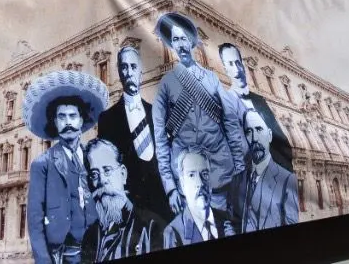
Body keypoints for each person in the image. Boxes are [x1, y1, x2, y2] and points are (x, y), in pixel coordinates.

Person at [150, 13, 245, 215]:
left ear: (192, 42)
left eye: (184, 38)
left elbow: (231, 125)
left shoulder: (211, 79)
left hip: (221, 175)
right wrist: (170, 188)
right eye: (176, 39)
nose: (181, 44)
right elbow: (160, 139)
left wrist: (238, 167)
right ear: (171, 44)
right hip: (187, 180)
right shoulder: (166, 84)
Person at [23, 70, 110, 264]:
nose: (68, 122)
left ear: (81, 120)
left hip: (96, 250)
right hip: (63, 255)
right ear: (55, 122)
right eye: (62, 117)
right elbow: (35, 222)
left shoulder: (92, 158)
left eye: (72, 116)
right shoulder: (42, 164)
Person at [95, 47, 170, 219]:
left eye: (133, 67)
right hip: (128, 211)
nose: (129, 72)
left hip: (161, 208)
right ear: (119, 72)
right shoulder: (106, 119)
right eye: (124, 67)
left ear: (141, 70)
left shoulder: (156, 114)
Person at [78, 139, 163, 261]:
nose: (102, 180)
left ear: (123, 174)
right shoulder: (90, 236)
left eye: (107, 170)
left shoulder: (151, 227)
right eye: (94, 174)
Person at [216, 43, 292, 172]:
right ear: (225, 68)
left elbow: (282, 144)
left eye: (238, 63)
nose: (237, 69)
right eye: (230, 64)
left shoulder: (260, 101)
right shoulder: (224, 103)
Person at [227, 109, 298, 234]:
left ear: (270, 135)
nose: (254, 138)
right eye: (249, 132)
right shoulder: (236, 180)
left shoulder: (287, 180)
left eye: (259, 129)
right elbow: (229, 222)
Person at [161, 149, 235, 249]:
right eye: (191, 175)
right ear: (182, 184)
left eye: (204, 174)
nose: (200, 183)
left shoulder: (226, 220)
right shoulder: (173, 232)